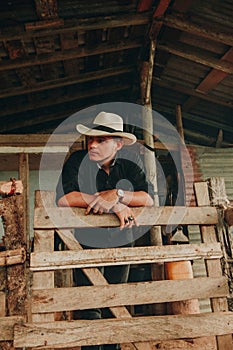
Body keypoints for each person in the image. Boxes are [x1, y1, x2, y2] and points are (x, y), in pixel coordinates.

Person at [56, 111, 154, 350]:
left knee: (115, 299)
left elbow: (148, 199)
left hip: (123, 240)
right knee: (90, 304)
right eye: (91, 139)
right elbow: (65, 199)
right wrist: (112, 204)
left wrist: (119, 195)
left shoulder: (131, 165)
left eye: (101, 140)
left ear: (118, 145)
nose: (93, 144)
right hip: (86, 241)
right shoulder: (77, 161)